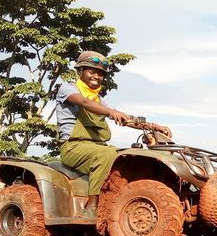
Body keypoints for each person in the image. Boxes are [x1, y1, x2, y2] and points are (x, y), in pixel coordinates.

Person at [55, 50, 168, 214]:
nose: (96, 76)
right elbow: (84, 103)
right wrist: (110, 112)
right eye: (91, 71)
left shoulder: (99, 101)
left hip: (98, 146)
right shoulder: (68, 89)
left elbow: (124, 118)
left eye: (100, 74)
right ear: (80, 71)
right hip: (73, 147)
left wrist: (152, 126)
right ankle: (92, 206)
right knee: (106, 155)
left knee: (128, 155)